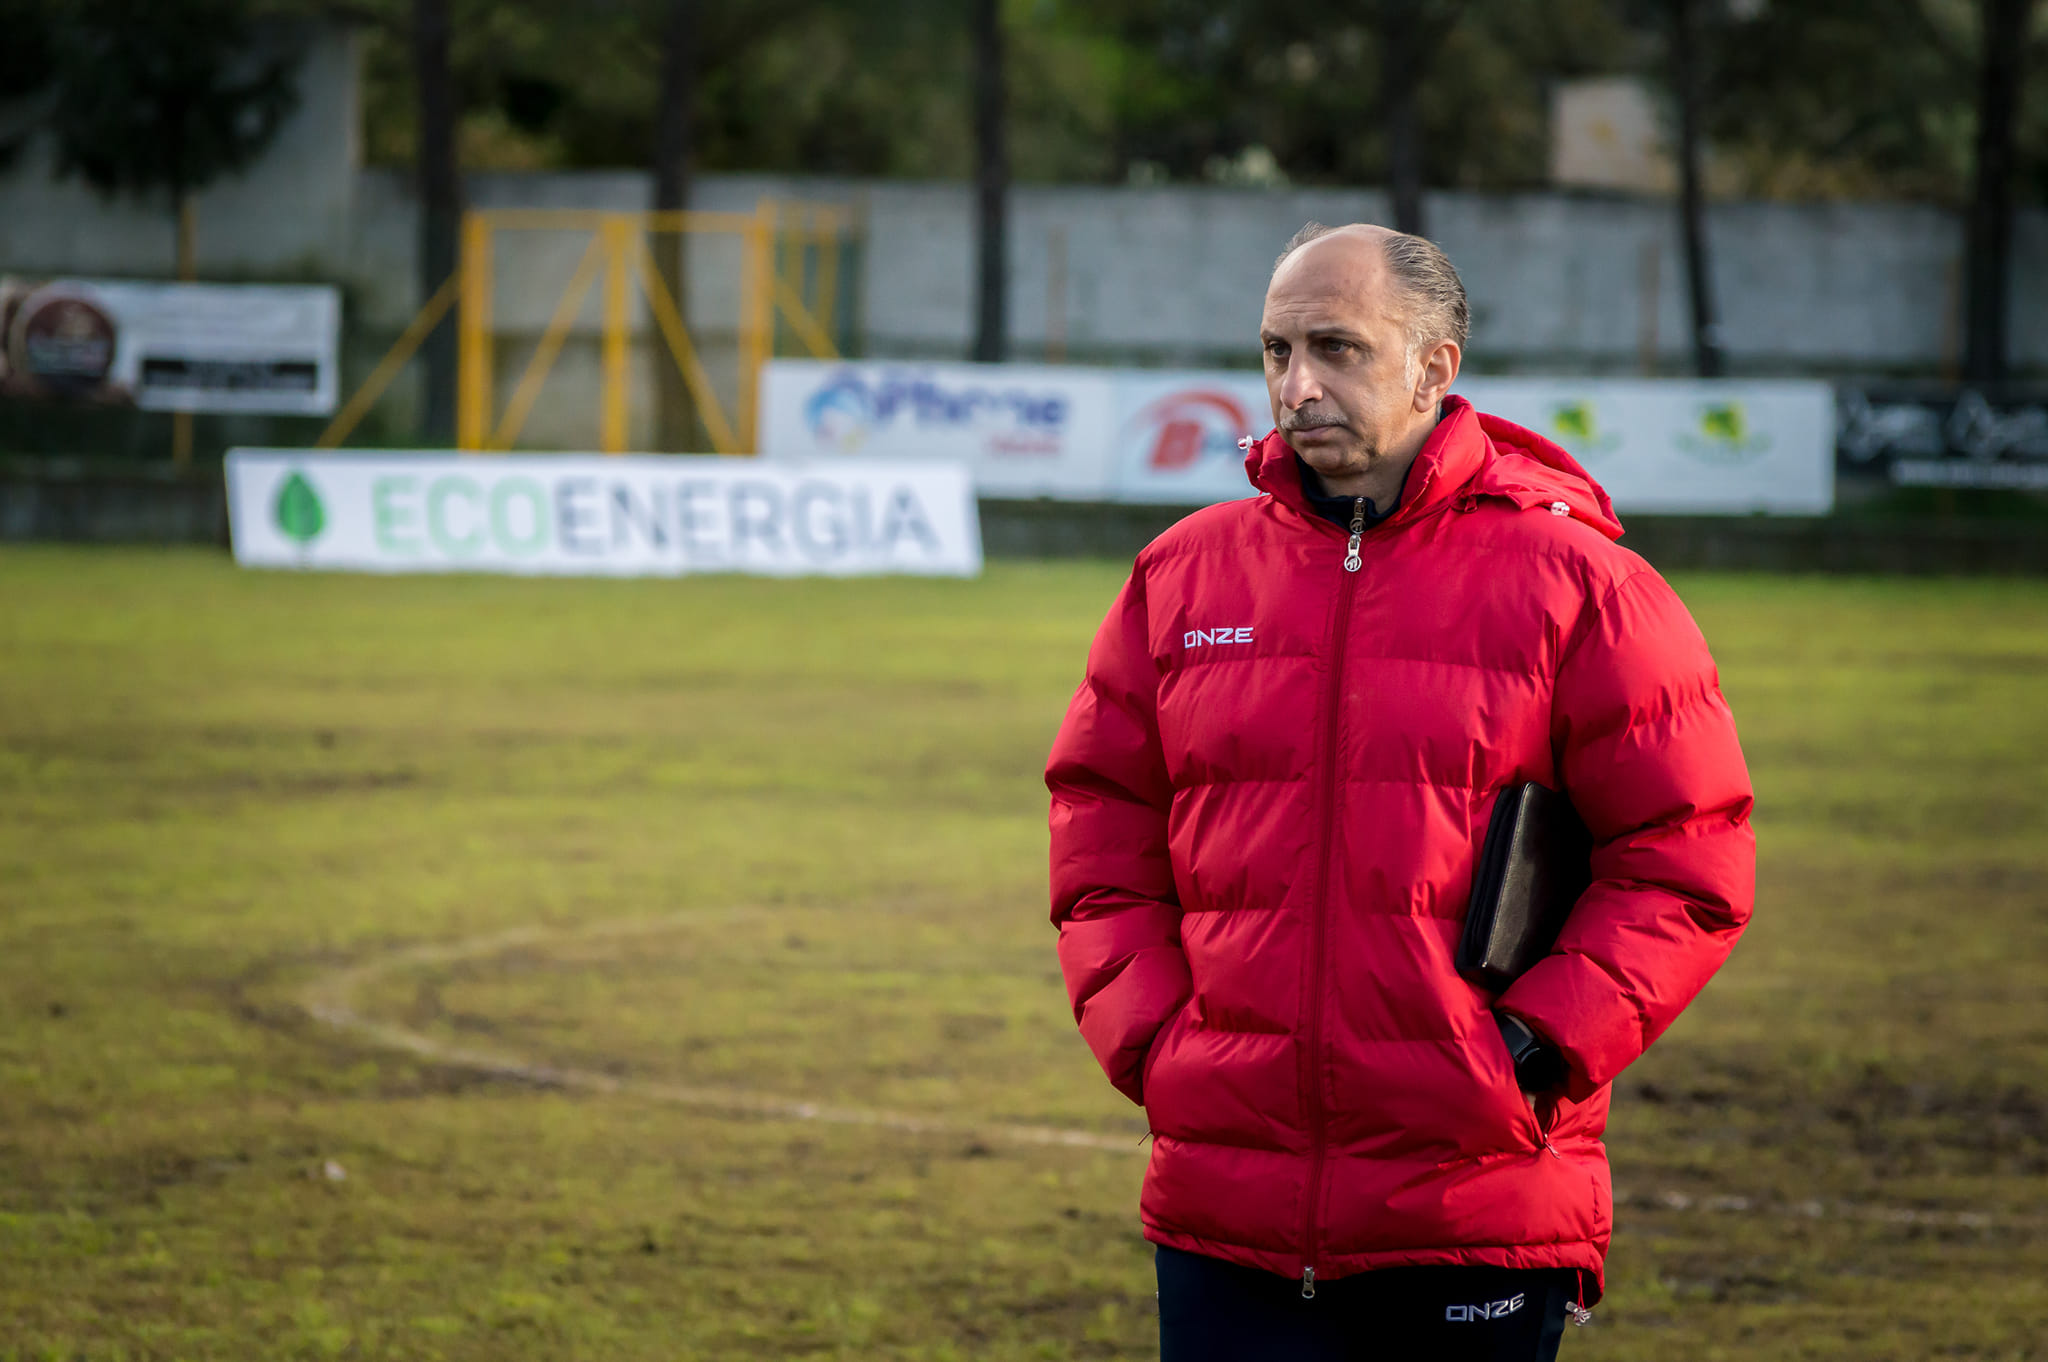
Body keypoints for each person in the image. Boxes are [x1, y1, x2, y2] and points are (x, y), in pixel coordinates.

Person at [1044, 223, 1755, 1362]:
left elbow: (1686, 854)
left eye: (1336, 347)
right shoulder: (1180, 575)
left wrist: (1530, 1053)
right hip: (1228, 1205)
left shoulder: (1582, 585)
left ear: (1433, 367)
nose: (1296, 385)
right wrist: (1158, 1047)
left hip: (1474, 1203)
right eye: (1276, 350)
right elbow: (1100, 826)